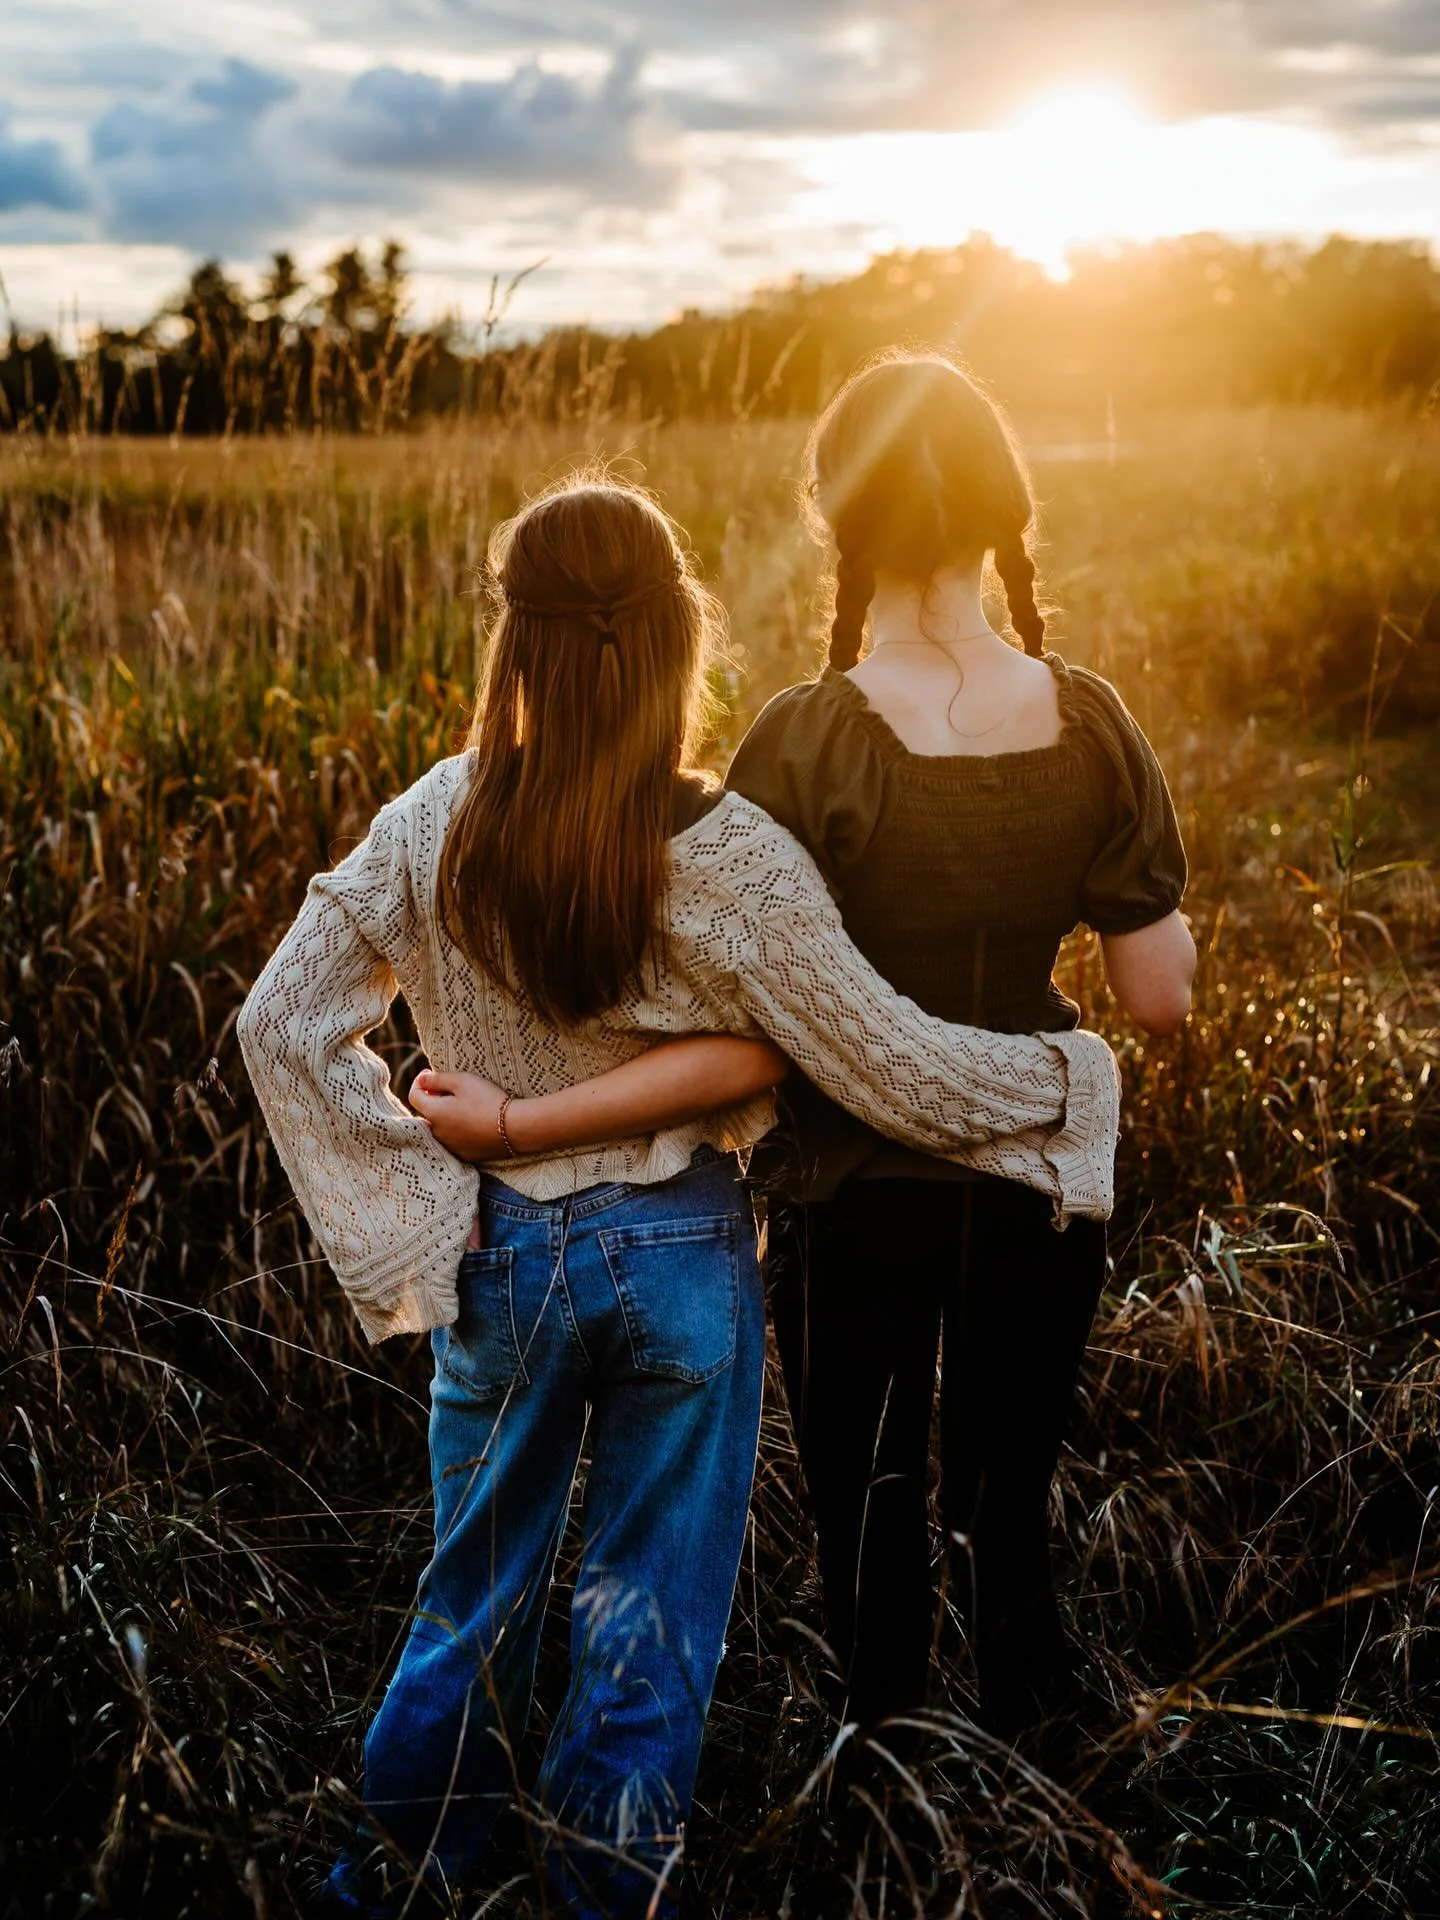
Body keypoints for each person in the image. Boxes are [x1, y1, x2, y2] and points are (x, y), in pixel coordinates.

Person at [237, 473, 1120, 1919]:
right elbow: (885, 1062)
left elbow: (279, 1026)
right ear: (675, 644)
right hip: (682, 1267)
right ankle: (607, 1890)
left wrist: (421, 1195)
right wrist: (1065, 1084)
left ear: (510, 641)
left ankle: (406, 1882)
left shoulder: (431, 824)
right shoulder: (737, 862)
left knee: (476, 1599)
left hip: (503, 1263)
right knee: (648, 1622)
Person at [725, 353, 1196, 1757]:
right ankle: (1037, 1772)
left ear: (839, 517)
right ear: (1004, 507)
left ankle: (887, 1785)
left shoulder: (803, 740)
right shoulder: (1095, 717)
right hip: (1038, 1177)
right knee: (1007, 1499)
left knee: (869, 1513)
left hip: (849, 1190)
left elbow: (741, 1011)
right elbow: (1157, 995)